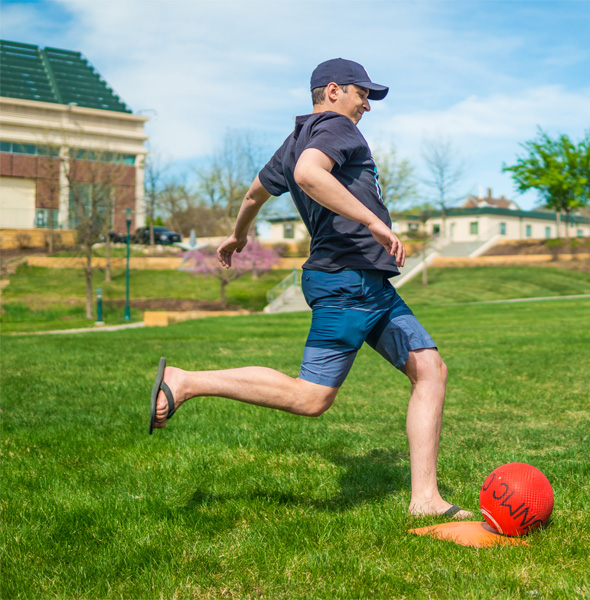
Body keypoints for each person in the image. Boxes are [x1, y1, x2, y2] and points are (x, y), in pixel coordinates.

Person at [149, 58, 471, 519]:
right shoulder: (337, 129)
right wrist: (373, 221)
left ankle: (425, 499)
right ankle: (186, 382)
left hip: (366, 282)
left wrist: (239, 234)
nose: (367, 106)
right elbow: (307, 174)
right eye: (363, 94)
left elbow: (253, 195)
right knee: (311, 396)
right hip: (347, 279)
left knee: (430, 370)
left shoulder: (296, 138)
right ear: (334, 90)